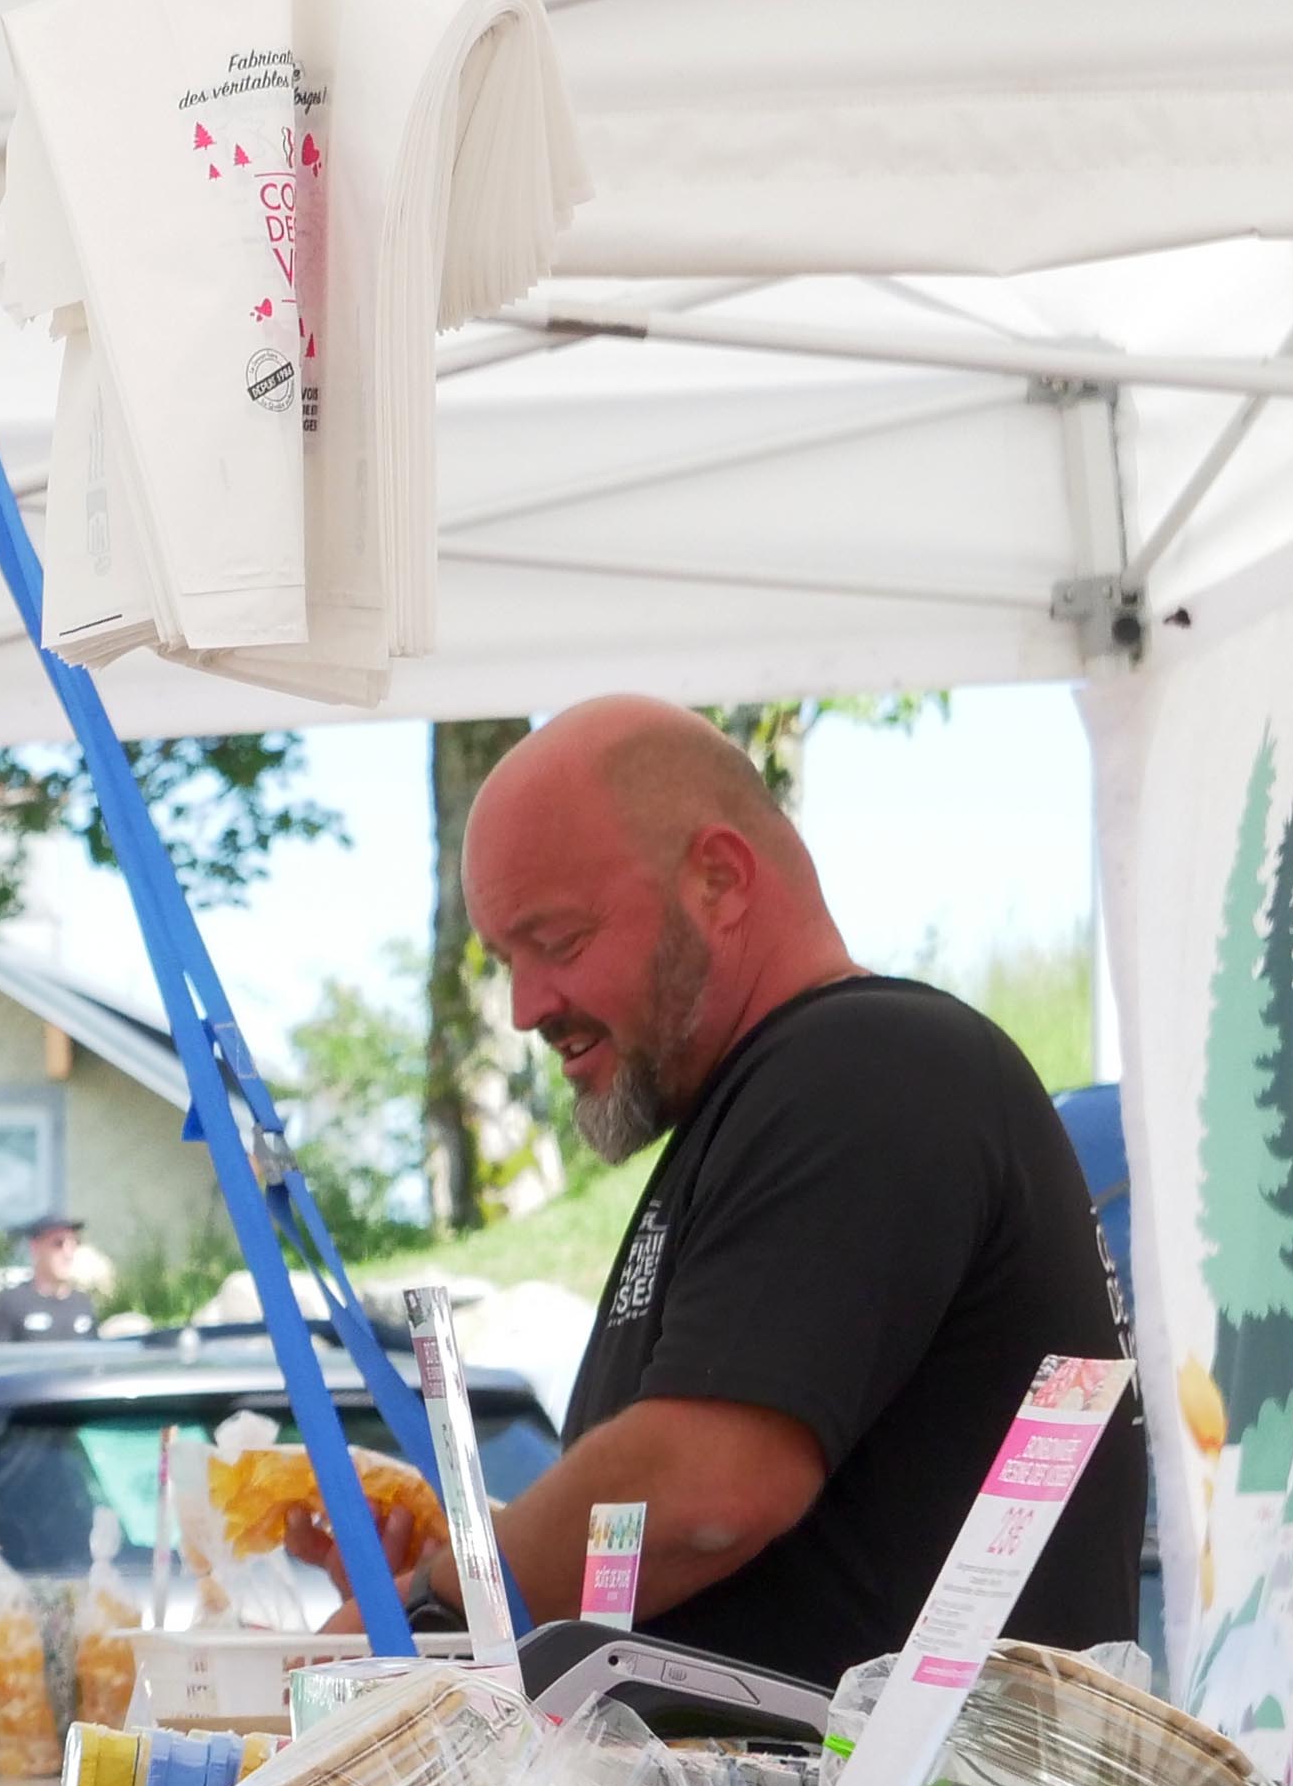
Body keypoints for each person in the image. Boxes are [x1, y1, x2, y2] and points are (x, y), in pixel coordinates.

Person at [432, 697, 1137, 1686]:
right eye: (508, 961)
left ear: (718, 879)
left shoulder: (864, 1068)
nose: (526, 1008)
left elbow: (705, 1491)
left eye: (558, 941)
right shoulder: (772, 1100)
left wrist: (430, 1605)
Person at [0, 1215, 108, 1343]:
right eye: (59, 1244)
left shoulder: (82, 1303)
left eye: (74, 1243)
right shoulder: (12, 1303)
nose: (68, 1253)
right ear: (36, 1248)